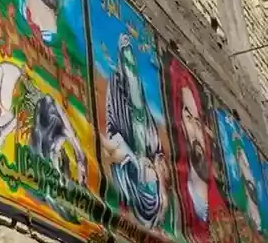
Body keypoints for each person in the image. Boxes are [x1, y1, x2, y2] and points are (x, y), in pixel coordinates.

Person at [101, 33, 166, 229]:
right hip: (130, 159)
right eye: (126, 60)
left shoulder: (142, 107)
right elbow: (112, 123)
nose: (130, 68)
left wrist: (150, 161)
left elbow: (156, 149)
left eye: (132, 62)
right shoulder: (115, 85)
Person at [169, 58, 230, 243]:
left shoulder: (222, 209)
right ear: (179, 123)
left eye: (198, 122)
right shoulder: (172, 192)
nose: (196, 131)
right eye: (188, 117)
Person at [233, 135, 261, 232]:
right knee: (246, 167)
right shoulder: (255, 218)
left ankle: (248, 144)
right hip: (250, 187)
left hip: (249, 187)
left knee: (246, 167)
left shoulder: (251, 215)